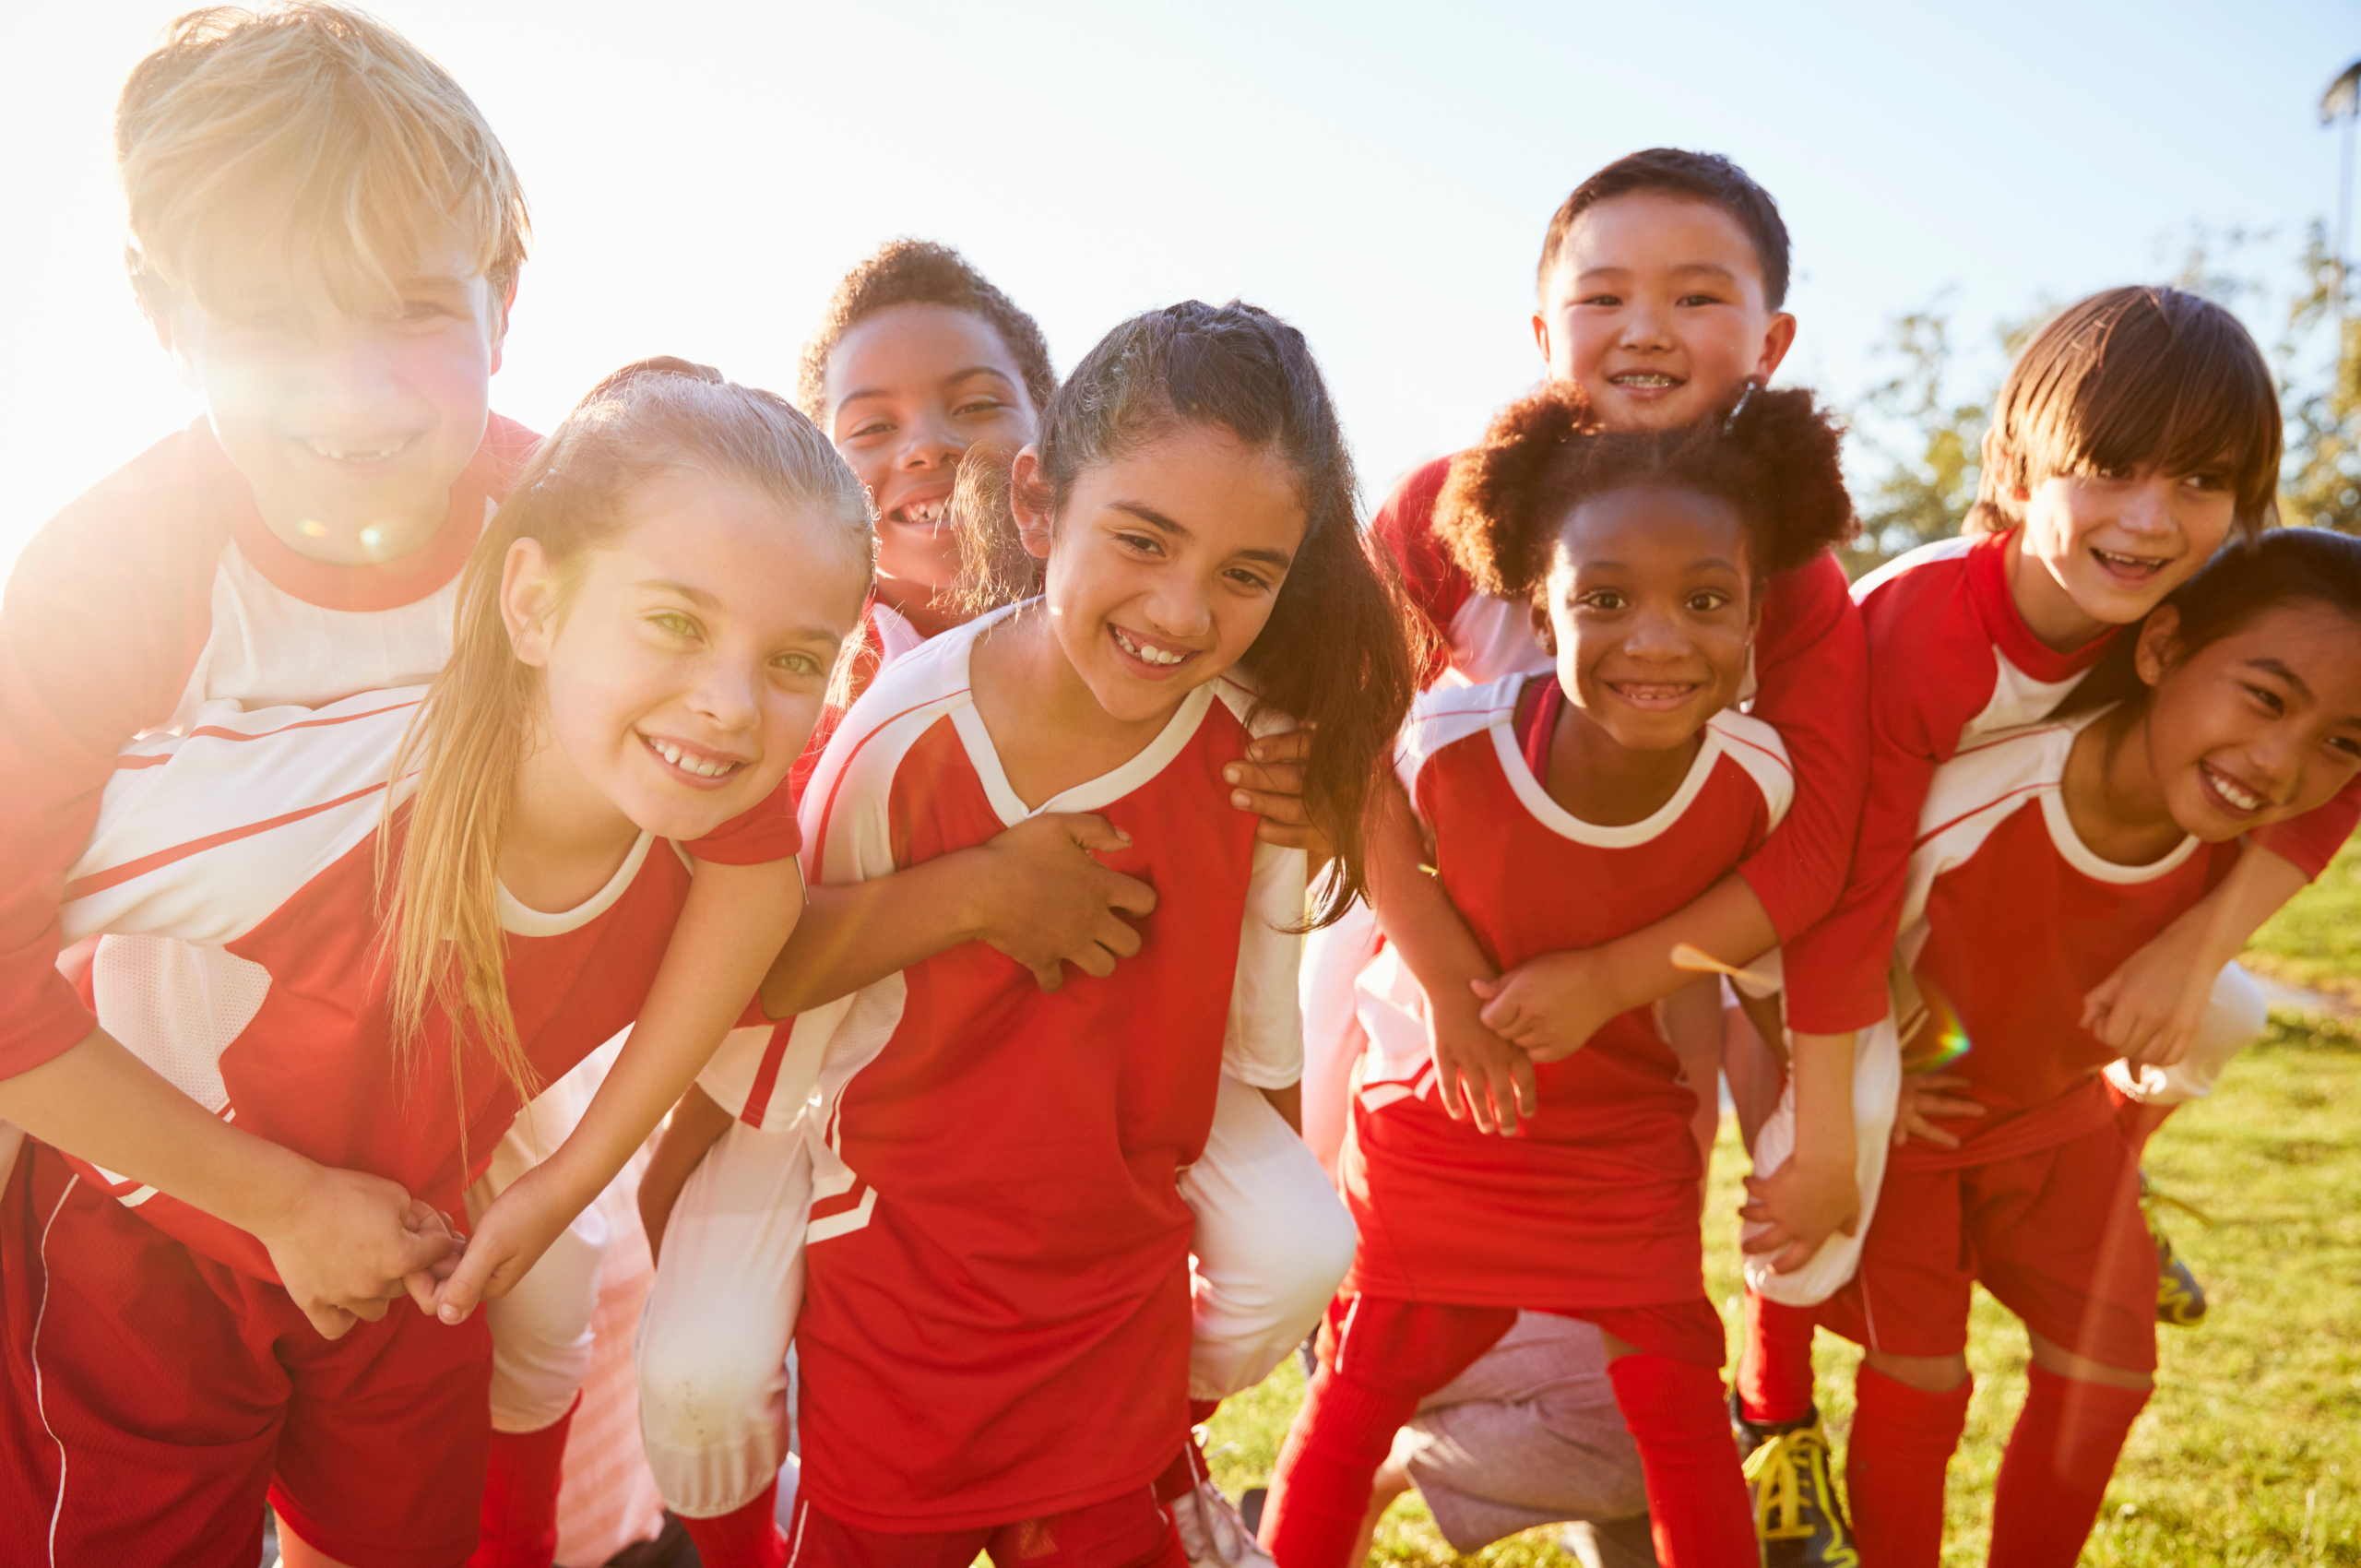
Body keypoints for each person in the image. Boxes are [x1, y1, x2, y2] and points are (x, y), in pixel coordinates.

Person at [0, 14, 818, 1564]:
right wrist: (276, 1203)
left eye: (413, 310)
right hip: (146, 1213)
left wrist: (567, 1175)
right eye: (268, 320)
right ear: (163, 314)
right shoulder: (104, 587)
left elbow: (750, 864)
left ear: (505, 304)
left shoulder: (582, 530)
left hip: (419, 1227)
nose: (352, 387)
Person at [636, 300, 1414, 1568]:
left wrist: (1237, 1223)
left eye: (1244, 574)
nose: (1180, 608)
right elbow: (769, 997)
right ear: (1041, 506)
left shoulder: (1259, 751)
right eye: (1145, 541)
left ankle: (1169, 1446)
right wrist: (987, 890)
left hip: (1110, 1194)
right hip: (889, 1165)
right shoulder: (895, 730)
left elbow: (1258, 1034)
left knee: (1295, 1247)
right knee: (703, 1374)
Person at [1729, 286, 2359, 1562]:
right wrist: (1849, 1089)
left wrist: (2201, 940)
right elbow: (1840, 896)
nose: (2148, 515)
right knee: (1820, 1177)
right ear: (2019, 462)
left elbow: (2338, 760)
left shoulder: (2222, 607)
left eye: (2198, 479)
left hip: (2009, 956)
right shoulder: (1926, 638)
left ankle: (2115, 1154)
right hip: (1794, 921)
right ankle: (1773, 1409)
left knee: (2215, 1008)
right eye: (2109, 467)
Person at [1259, 381, 1856, 1568]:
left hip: (1618, 1143)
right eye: (1605, 599)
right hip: (1443, 1124)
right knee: (1353, 1395)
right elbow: (1364, 794)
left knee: (1683, 1415)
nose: (1656, 636)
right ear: (1540, 598)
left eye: (1704, 601)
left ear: (1751, 619)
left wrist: (1614, 977)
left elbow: (1774, 899)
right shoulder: (1462, 741)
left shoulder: (1752, 777)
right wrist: (1444, 986)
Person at [1820, 527, 2361, 1566]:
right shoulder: (1985, 795)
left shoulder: (2241, 822)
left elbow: (2334, 793)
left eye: (2340, 738)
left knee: (2112, 1365)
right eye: (2264, 697)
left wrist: (2200, 952)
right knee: (1920, 1382)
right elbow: (1833, 927)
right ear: (2158, 650)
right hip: (1917, 1123)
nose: (2281, 762)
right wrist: (1880, 1070)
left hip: (2055, 1117)